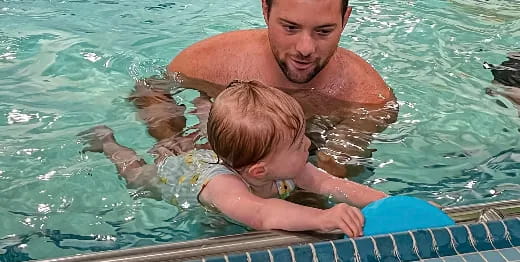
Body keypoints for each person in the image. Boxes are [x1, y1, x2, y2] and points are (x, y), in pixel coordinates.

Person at [130, 0, 398, 178]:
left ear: (346, 20)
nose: (305, 48)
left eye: (323, 31)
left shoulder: (367, 98)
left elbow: (333, 178)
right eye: (290, 27)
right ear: (265, 10)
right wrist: (172, 139)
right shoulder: (211, 62)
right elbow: (150, 89)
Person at [81, 81, 387, 236]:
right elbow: (262, 214)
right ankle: (107, 143)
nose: (308, 142)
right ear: (259, 170)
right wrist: (322, 219)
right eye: (298, 143)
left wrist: (384, 202)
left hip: (215, 156)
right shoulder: (225, 190)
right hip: (178, 175)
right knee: (135, 173)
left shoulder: (283, 164)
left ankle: (204, 106)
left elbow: (331, 184)